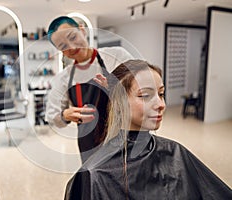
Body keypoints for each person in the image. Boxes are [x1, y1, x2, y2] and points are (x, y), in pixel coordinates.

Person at [64, 60, 232, 199]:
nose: (161, 105)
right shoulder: (95, 174)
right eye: (146, 95)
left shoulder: (176, 152)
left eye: (161, 94)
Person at [45, 16, 134, 163]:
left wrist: (117, 88)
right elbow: (52, 115)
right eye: (63, 46)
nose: (72, 47)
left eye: (73, 37)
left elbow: (142, 89)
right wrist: (66, 114)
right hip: (89, 145)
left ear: (82, 30)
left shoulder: (116, 56)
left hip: (123, 137)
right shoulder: (64, 78)